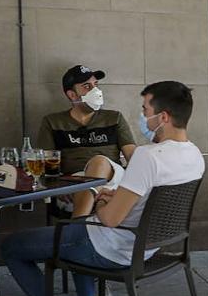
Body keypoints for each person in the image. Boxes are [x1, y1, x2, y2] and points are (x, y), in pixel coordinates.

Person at [4, 80, 205, 296]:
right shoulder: (195, 155)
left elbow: (110, 220)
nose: (143, 116)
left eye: (145, 110)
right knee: (78, 228)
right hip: (150, 247)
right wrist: (115, 197)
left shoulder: (148, 156)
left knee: (12, 247)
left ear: (163, 117)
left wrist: (100, 199)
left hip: (113, 249)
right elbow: (147, 202)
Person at [36, 64, 136, 208]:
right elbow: (45, 164)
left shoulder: (114, 118)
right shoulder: (53, 122)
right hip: (75, 182)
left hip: (113, 178)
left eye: (96, 85)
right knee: (88, 186)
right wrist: (58, 187)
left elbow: (132, 156)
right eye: (87, 86)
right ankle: (94, 211)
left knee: (99, 162)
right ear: (72, 95)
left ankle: (80, 220)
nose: (96, 91)